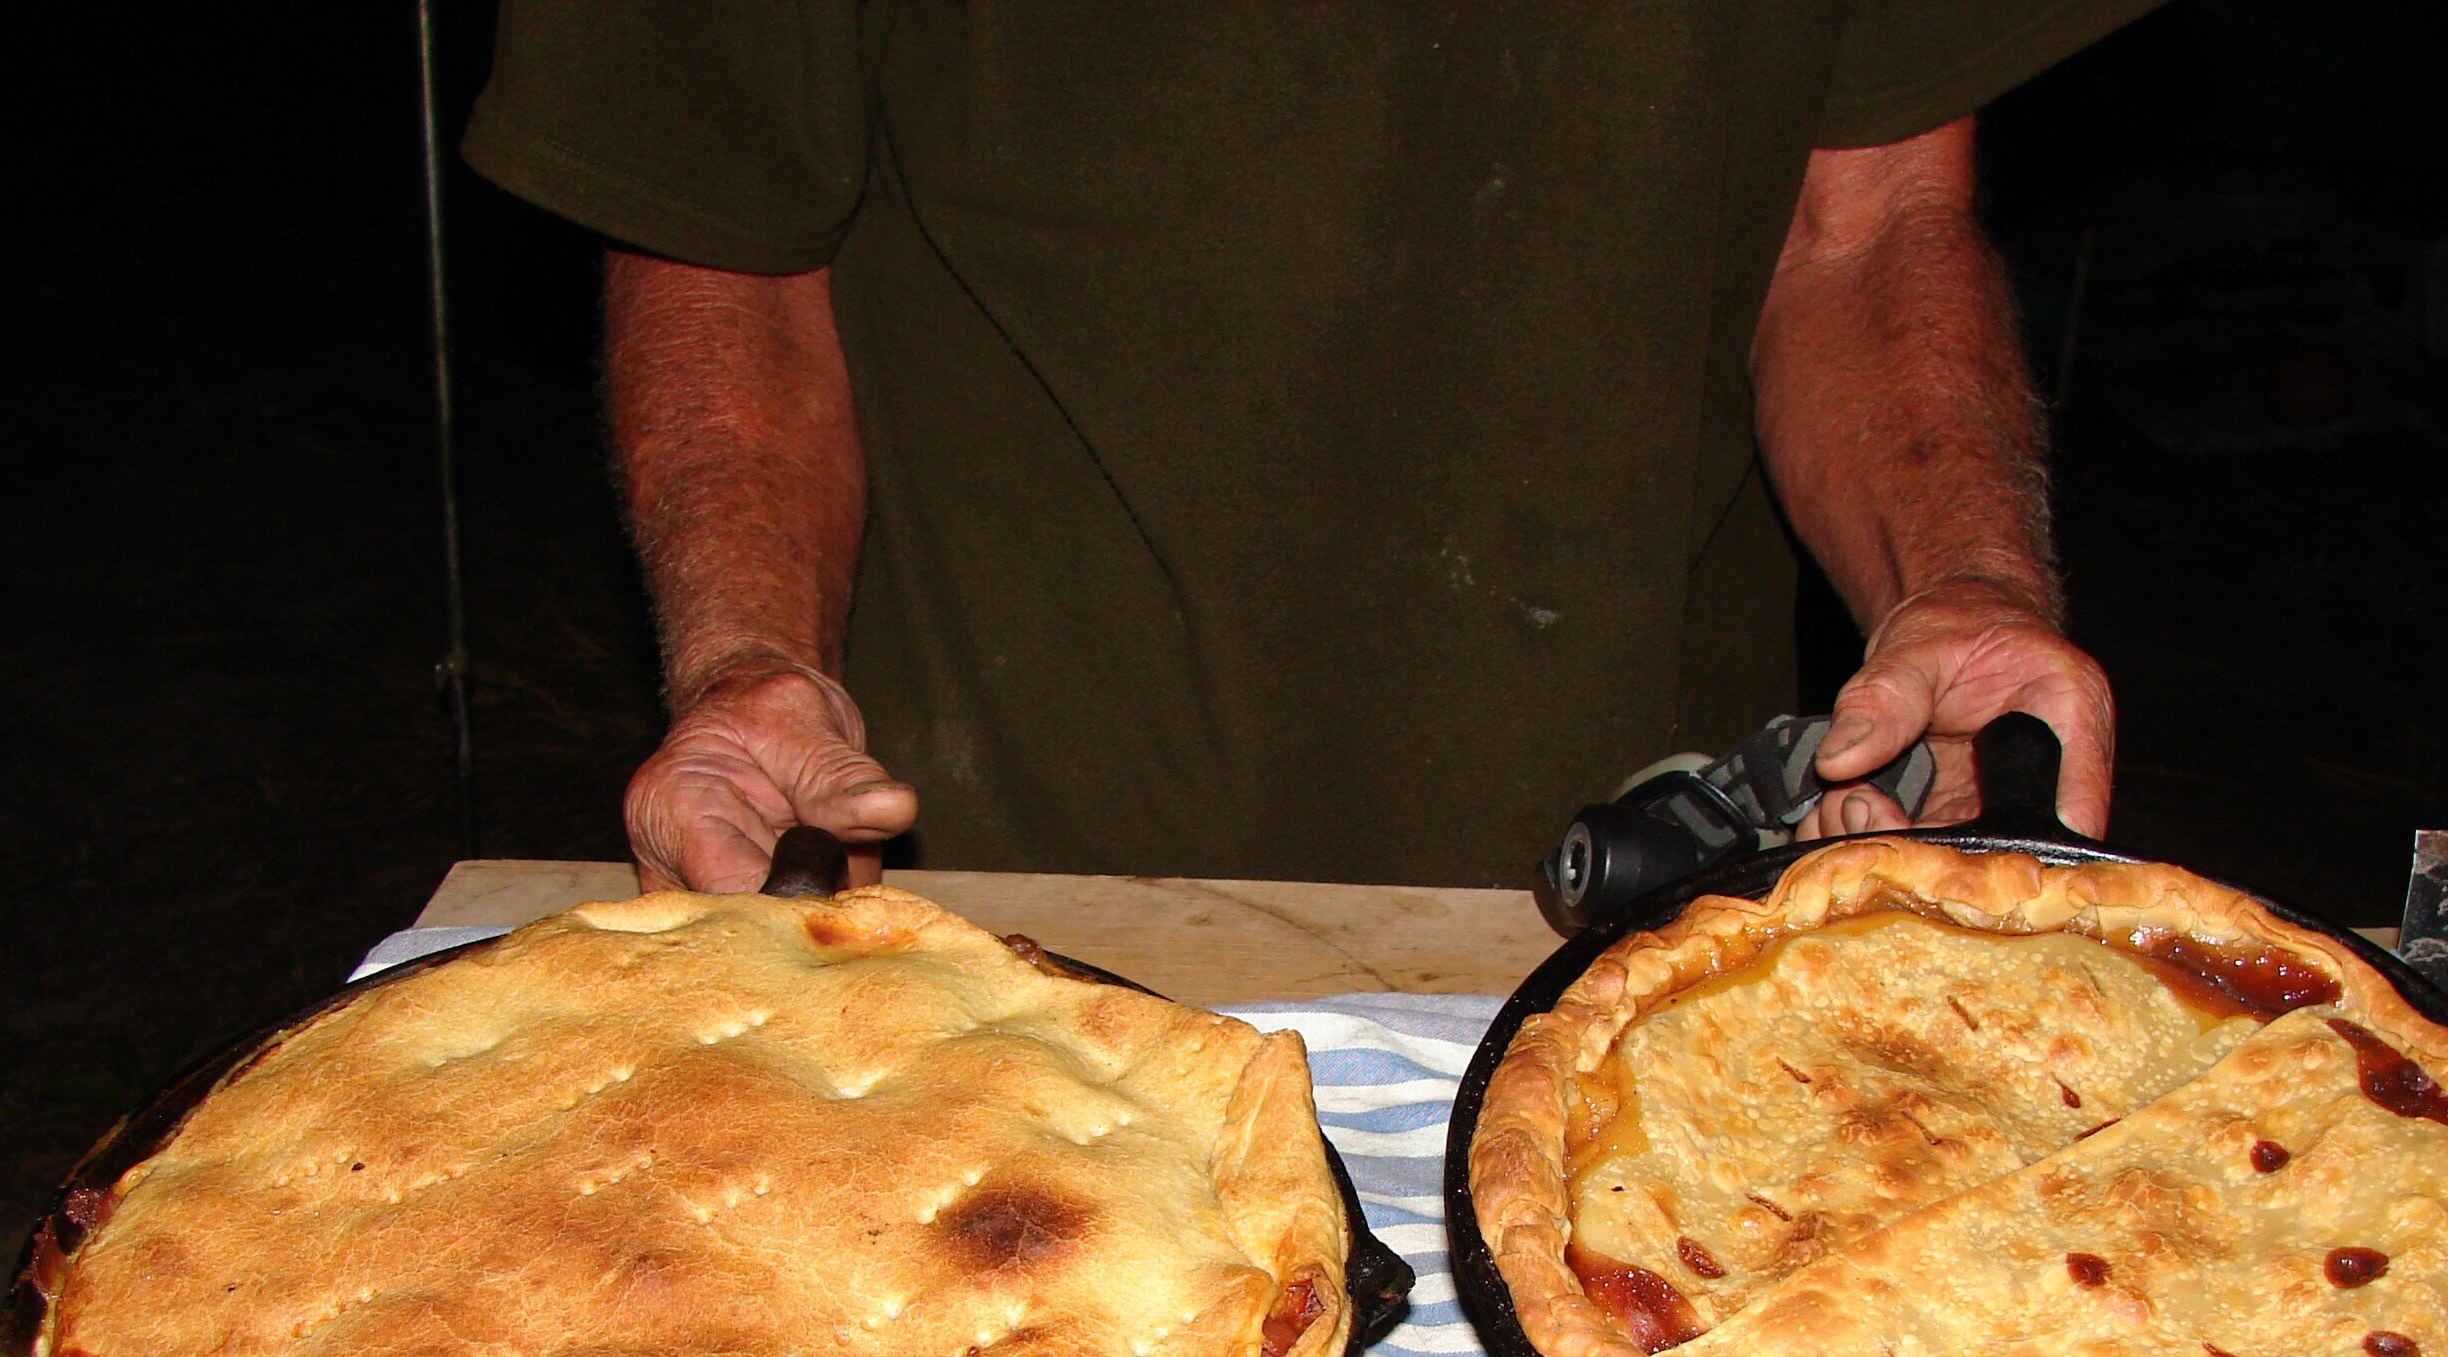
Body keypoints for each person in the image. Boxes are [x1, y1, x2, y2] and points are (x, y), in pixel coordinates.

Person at [467, 4, 2146, 894]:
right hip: (996, 870)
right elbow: (726, 233)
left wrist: (1960, 577)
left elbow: (1868, 227)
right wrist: (750, 661)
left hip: (1650, 854)